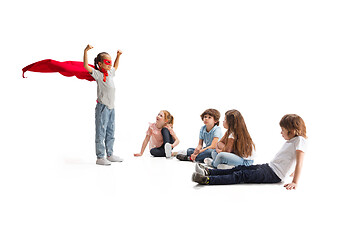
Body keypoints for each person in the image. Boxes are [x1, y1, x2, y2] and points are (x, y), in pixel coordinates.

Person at [192, 114, 307, 190]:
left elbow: (300, 162)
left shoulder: (300, 140)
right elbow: (291, 159)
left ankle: (208, 180)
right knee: (240, 168)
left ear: (292, 131)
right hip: (269, 167)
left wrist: (295, 181)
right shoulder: (294, 141)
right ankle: (209, 172)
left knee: (241, 175)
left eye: (283, 130)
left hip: (274, 174)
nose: (281, 133)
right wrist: (290, 171)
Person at [83, 44, 124, 166]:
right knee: (101, 131)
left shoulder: (110, 73)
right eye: (107, 62)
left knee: (111, 131)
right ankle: (100, 156)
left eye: (110, 62)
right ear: (100, 64)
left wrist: (118, 56)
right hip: (103, 108)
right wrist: (85, 51)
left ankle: (110, 154)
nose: (110, 64)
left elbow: (115, 66)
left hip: (112, 108)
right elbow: (85, 66)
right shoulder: (98, 74)